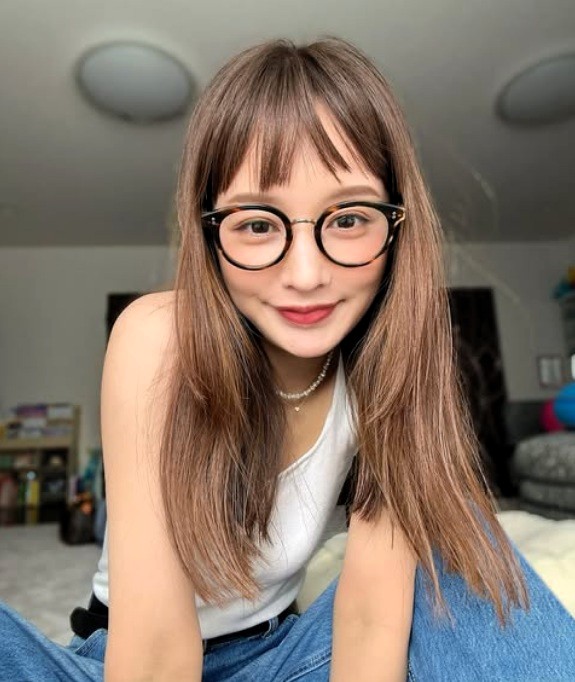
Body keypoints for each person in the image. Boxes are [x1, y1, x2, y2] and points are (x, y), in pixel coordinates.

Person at [1, 36, 574, 682]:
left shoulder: (385, 365)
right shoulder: (157, 338)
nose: (306, 275)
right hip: (122, 658)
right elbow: (155, 645)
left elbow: (371, 618)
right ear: (210, 233)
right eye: (257, 224)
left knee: (458, 535)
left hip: (284, 657)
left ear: (396, 226)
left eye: (348, 219)